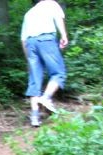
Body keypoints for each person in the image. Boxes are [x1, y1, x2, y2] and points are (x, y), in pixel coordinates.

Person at [20, 0, 69, 128]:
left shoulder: (28, 13)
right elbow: (58, 18)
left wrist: (28, 60)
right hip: (46, 39)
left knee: (34, 80)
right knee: (58, 73)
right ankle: (46, 98)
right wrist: (64, 35)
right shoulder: (51, 4)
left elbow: (23, 40)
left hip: (31, 44)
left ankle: (34, 117)